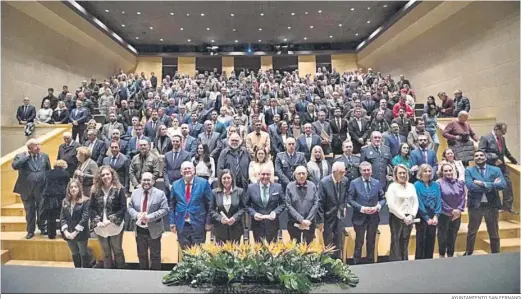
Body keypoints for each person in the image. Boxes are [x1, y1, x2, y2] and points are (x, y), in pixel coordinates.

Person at [464, 150, 506, 256]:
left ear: (485, 158)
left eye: (481, 155)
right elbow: (470, 186)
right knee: (472, 232)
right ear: (474, 159)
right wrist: (492, 185)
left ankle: (496, 254)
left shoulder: (495, 170)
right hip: (475, 205)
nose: (479, 157)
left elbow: (502, 185)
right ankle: (469, 253)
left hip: (491, 205)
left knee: (494, 233)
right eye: (476, 156)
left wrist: (484, 184)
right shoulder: (469, 170)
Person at [347, 161, 386, 264]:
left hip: (373, 217)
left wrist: (378, 207)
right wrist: (362, 208)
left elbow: (383, 198)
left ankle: (371, 262)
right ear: (360, 171)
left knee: (371, 241)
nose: (367, 172)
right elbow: (350, 200)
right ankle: (356, 263)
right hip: (359, 217)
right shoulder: (354, 183)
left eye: (368, 170)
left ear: (371, 170)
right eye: (364, 170)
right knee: (359, 242)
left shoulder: (376, 183)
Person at [128, 172, 169, 270]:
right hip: (139, 230)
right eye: (144, 180)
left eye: (148, 180)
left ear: (153, 181)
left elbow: (165, 209)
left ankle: (155, 277)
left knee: (155, 255)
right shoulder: (135, 192)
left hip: (154, 230)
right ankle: (143, 277)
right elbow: (130, 207)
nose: (146, 182)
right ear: (140, 181)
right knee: (141, 255)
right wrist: (137, 214)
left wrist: (150, 217)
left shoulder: (160, 194)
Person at [12, 139, 52, 239]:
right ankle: (30, 231)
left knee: (42, 209)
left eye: (39, 144)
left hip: (41, 188)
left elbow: (48, 170)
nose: (38, 147)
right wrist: (26, 157)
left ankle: (43, 228)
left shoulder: (44, 156)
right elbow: (15, 166)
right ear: (29, 147)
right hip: (26, 189)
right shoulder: (21, 156)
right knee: (29, 211)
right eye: (35, 145)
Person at [90, 165, 127, 269]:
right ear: (99, 177)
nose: (106, 176)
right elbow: (91, 208)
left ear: (112, 175)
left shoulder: (119, 189)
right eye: (103, 175)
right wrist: (97, 221)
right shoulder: (94, 190)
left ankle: (121, 273)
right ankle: (108, 274)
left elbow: (123, 208)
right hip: (100, 226)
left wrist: (110, 220)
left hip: (114, 225)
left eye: (108, 174)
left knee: (117, 251)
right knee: (105, 252)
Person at [169, 161, 212, 249]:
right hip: (182, 225)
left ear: (194, 170)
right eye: (185, 169)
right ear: (181, 172)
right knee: (185, 254)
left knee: (198, 255)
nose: (187, 170)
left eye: (189, 168)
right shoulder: (175, 185)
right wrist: (172, 222)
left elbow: (210, 204)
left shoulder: (203, 183)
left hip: (198, 224)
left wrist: (208, 222)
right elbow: (172, 205)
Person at [478, 122, 519, 213]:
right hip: (490, 166)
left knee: (507, 184)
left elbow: (506, 151)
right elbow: (481, 152)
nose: (504, 134)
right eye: (503, 132)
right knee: (493, 187)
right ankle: (496, 207)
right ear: (497, 129)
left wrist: (514, 161)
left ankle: (507, 207)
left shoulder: (502, 138)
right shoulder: (485, 138)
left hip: (502, 166)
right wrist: (494, 158)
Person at [386, 164, 419, 261]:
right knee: (396, 242)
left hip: (409, 218)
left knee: (405, 241)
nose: (402, 175)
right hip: (397, 218)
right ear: (396, 175)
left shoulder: (411, 186)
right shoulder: (392, 186)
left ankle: (405, 261)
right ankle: (396, 263)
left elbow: (415, 202)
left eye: (404, 173)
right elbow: (391, 205)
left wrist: (412, 215)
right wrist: (403, 217)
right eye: (400, 173)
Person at [317, 162, 349, 259]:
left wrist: (344, 206)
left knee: (338, 240)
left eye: (344, 172)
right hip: (328, 217)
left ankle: (338, 262)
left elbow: (345, 196)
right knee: (328, 241)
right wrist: (321, 220)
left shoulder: (345, 180)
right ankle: (329, 263)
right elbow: (320, 202)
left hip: (339, 215)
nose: (343, 175)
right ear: (334, 172)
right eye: (341, 172)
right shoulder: (324, 182)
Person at [246, 164, 285, 243]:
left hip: (273, 225)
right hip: (257, 225)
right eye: (263, 174)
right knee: (259, 250)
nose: (265, 176)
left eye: (268, 174)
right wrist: (254, 214)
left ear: (271, 175)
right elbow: (246, 205)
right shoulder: (251, 188)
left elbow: (283, 204)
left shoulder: (278, 187)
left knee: (273, 250)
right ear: (259, 175)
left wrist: (275, 212)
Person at [60, 179, 92, 268]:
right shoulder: (65, 201)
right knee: (74, 253)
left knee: (83, 253)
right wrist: (66, 232)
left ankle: (86, 272)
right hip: (68, 233)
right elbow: (62, 217)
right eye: (71, 187)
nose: (73, 189)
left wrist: (75, 232)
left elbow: (85, 218)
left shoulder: (86, 200)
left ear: (79, 188)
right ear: (68, 189)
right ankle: (77, 272)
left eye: (75, 187)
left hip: (81, 233)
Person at [436, 163, 466, 258]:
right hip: (444, 214)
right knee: (442, 236)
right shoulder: (438, 183)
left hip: (457, 214)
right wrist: (451, 211)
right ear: (442, 172)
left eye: (450, 170)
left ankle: (450, 255)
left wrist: (459, 210)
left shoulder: (459, 182)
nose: (448, 172)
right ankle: (441, 255)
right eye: (446, 171)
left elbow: (463, 196)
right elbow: (439, 199)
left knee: (453, 236)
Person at [285, 166, 320, 244]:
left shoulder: (313, 186)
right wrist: (301, 220)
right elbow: (288, 205)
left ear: (307, 174)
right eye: (299, 173)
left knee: (309, 249)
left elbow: (316, 203)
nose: (301, 176)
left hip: (310, 223)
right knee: (295, 249)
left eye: (303, 173)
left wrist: (308, 220)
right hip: (294, 224)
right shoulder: (289, 186)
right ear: (295, 175)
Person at [210, 170, 246, 243]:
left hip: (235, 229)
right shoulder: (214, 192)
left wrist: (234, 218)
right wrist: (220, 218)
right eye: (224, 178)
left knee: (235, 254)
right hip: (220, 230)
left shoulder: (240, 191)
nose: (226, 180)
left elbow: (244, 208)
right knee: (220, 254)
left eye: (228, 178)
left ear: (232, 179)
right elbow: (211, 210)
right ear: (220, 180)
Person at [413, 164, 441, 260]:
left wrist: (436, 216)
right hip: (422, 217)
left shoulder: (435, 185)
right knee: (421, 241)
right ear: (421, 172)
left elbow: (438, 200)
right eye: (425, 171)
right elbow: (419, 202)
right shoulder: (416, 185)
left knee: (431, 241)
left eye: (429, 171)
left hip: (433, 217)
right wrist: (426, 218)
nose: (428, 173)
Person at [41, 160, 69, 239]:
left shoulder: (48, 173)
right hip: (61, 197)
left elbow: (44, 184)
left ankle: (51, 234)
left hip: (49, 197)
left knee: (50, 216)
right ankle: (63, 232)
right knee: (62, 216)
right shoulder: (65, 173)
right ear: (63, 166)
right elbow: (67, 185)